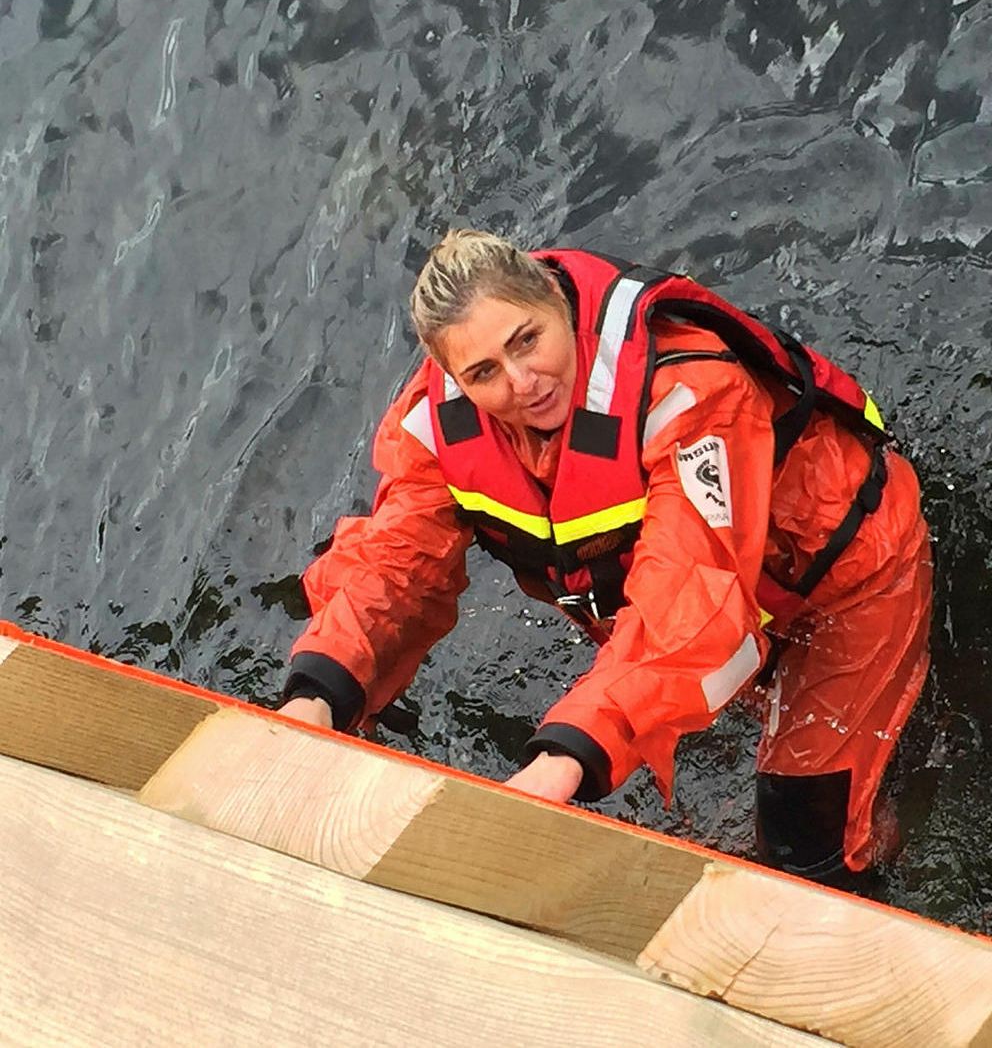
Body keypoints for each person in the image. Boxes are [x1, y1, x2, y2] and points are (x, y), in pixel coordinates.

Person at [276, 229, 933, 885]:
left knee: (805, 842)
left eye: (526, 340)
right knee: (734, 734)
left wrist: (563, 759)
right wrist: (315, 694)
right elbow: (395, 565)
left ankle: (880, 857)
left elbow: (690, 595)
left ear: (557, 305)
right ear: (455, 379)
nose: (522, 382)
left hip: (847, 581)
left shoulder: (690, 390)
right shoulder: (432, 428)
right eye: (484, 373)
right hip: (732, 606)